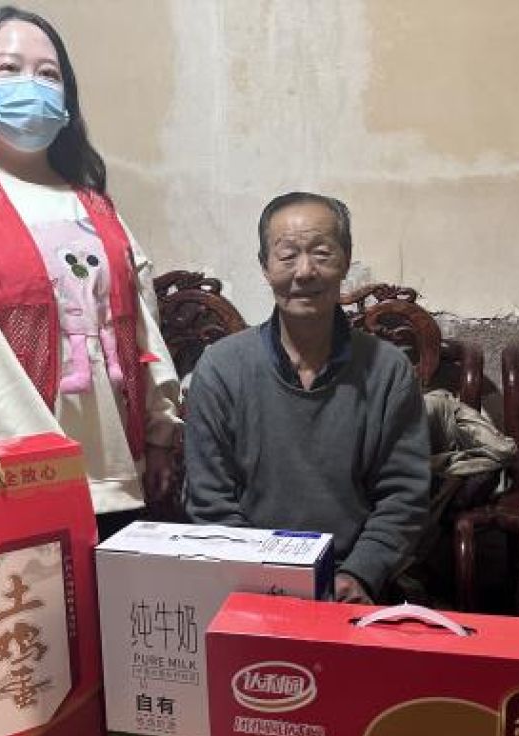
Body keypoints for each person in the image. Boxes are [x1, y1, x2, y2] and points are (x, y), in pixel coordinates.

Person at [0, 6, 180, 539]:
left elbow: (144, 325)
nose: (31, 83)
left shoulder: (97, 206)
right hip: (8, 476)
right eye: (9, 68)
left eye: (48, 74)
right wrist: (38, 462)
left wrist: (160, 431)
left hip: (119, 473)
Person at [184, 192, 430, 603]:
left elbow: (403, 495)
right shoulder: (221, 368)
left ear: (345, 260)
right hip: (250, 587)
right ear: (265, 266)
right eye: (287, 255)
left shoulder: (388, 370)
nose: (304, 271)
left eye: (321, 253)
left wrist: (360, 574)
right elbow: (209, 500)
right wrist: (263, 580)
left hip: (353, 585)